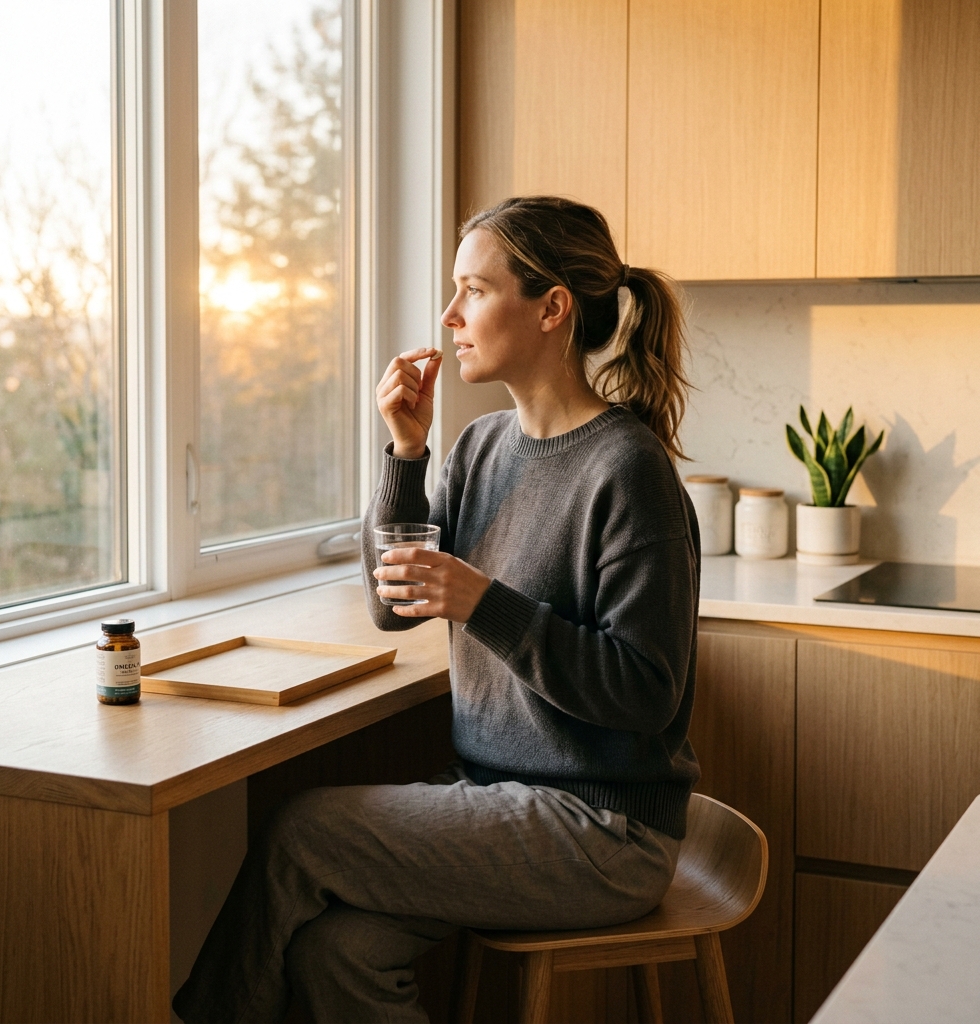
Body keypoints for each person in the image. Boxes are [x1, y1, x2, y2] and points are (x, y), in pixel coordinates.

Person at [173, 195, 701, 1023]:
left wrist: (485, 603)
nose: (451, 315)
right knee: (335, 952)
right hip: (493, 800)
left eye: (475, 291)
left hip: (603, 831)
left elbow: (645, 694)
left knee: (301, 829)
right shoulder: (481, 447)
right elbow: (394, 608)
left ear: (552, 308)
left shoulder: (626, 470)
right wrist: (407, 452)